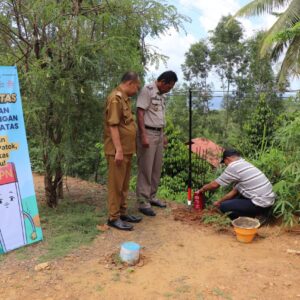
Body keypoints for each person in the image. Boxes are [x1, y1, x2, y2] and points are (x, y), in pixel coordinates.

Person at [104, 71, 142, 231]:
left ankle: (122, 212)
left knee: (124, 185)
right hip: (117, 152)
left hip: (126, 150)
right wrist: (118, 150)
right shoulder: (115, 99)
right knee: (116, 186)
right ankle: (113, 217)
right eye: (136, 86)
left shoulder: (125, 99)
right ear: (129, 83)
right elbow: (113, 126)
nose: (137, 89)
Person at [136, 71, 178, 216]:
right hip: (147, 133)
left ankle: (152, 197)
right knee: (145, 168)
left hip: (159, 134)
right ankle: (143, 201)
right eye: (170, 87)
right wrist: (143, 135)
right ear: (163, 82)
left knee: (156, 168)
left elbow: (159, 115)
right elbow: (140, 112)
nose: (169, 90)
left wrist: (164, 134)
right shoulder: (147, 90)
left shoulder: (161, 95)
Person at [198, 149, 275, 221]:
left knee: (224, 206)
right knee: (235, 197)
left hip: (260, 204)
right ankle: (257, 215)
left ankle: (248, 219)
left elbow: (215, 185)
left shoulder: (233, 166)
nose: (225, 165)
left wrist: (202, 189)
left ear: (227, 159)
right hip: (268, 202)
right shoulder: (245, 164)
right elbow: (233, 193)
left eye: (224, 163)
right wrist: (218, 201)